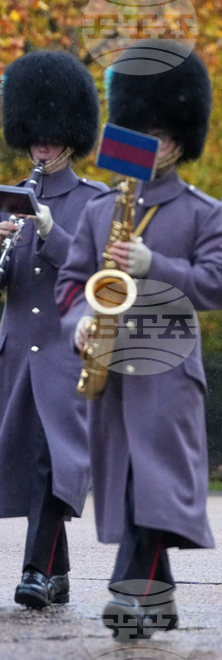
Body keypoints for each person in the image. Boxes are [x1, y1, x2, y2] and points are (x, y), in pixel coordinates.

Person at [55, 40, 222, 640]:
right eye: (140, 135)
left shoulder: (202, 212)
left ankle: (129, 595)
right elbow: (71, 284)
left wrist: (153, 264)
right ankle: (160, 601)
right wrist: (80, 320)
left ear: (179, 144)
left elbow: (218, 286)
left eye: (157, 137)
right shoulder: (100, 210)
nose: (147, 147)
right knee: (133, 487)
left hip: (168, 371)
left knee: (151, 488)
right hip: (110, 369)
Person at [0, 50, 106, 610]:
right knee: (28, 461)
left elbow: (100, 276)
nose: (42, 147)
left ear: (71, 137)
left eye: (52, 138)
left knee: (51, 457)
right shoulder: (7, 197)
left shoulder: (95, 202)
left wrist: (48, 230)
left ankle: (34, 573)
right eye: (35, 138)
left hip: (66, 351)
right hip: (17, 351)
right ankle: (57, 570)